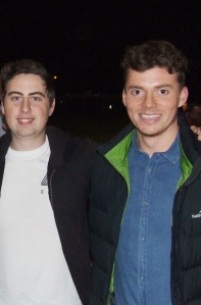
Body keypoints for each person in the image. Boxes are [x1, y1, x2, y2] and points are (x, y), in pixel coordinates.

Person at [0, 59, 93, 305]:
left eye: (35, 98)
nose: (25, 108)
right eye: (16, 98)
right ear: (3, 105)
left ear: (52, 106)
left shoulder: (82, 159)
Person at [89, 40, 201, 304]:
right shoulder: (103, 167)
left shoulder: (196, 169)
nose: (148, 104)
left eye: (162, 91)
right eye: (137, 91)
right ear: (125, 96)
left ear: (182, 96)